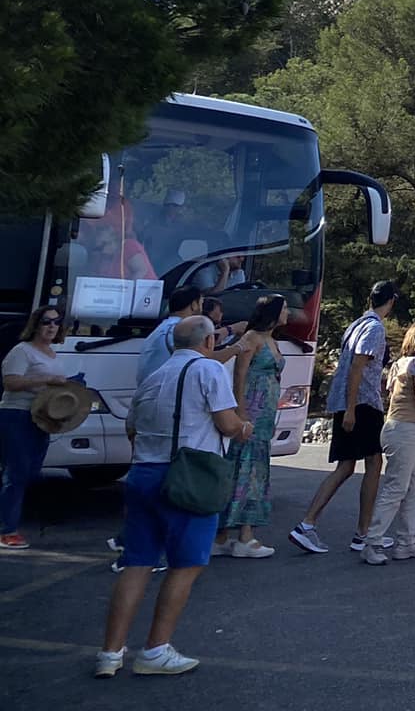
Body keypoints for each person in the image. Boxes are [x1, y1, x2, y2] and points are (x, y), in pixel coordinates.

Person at [95, 315, 251, 678]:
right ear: (209, 342)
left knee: (137, 563)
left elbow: (131, 426)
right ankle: (156, 649)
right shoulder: (208, 371)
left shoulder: (154, 376)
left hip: (144, 474)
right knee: (186, 565)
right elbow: (227, 423)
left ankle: (110, 652)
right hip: (188, 476)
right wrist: (244, 428)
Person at [289, 279, 398, 556]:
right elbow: (358, 367)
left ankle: (308, 524)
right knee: (374, 462)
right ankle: (364, 533)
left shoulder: (357, 324)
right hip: (361, 402)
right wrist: (351, 409)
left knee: (346, 466)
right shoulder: (374, 328)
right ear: (391, 301)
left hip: (347, 400)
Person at [359, 319, 415, 564]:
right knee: (397, 488)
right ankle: (374, 541)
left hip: (399, 428)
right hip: (408, 429)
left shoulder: (401, 364)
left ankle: (406, 541)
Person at [221, 294, 287, 559]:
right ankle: (243, 535)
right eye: (283, 310)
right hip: (252, 408)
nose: (288, 314)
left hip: (266, 412)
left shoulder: (272, 339)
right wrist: (241, 409)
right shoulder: (251, 338)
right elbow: (240, 374)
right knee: (244, 467)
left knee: (255, 468)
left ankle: (227, 534)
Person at [2, 306, 70, 548]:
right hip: (18, 414)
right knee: (16, 473)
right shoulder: (22, 351)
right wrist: (46, 380)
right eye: (46, 322)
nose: (52, 326)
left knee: (30, 472)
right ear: (35, 325)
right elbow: (10, 382)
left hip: (43, 418)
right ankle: (6, 529)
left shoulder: (52, 354)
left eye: (56, 322)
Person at [137, 289, 239, 385]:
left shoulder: (165, 327)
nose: (202, 308)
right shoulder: (176, 329)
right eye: (201, 303)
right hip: (160, 395)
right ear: (194, 305)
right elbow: (207, 360)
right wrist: (240, 345)